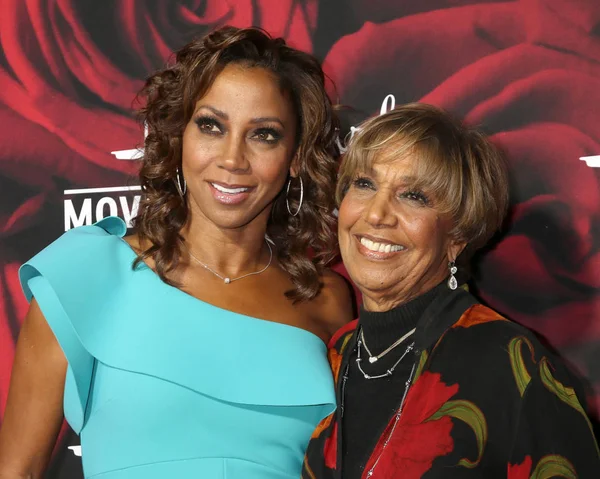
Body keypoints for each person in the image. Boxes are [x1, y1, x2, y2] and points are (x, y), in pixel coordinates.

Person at [0, 26, 353, 479]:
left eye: (263, 135)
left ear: (297, 155)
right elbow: (17, 470)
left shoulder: (326, 299)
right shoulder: (86, 274)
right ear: (178, 136)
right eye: (211, 126)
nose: (232, 159)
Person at [302, 103, 600, 478]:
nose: (376, 214)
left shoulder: (510, 362)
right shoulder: (336, 354)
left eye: (414, 196)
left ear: (457, 236)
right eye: (365, 184)